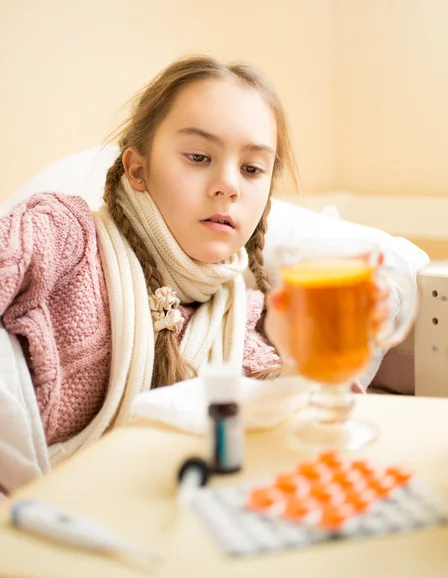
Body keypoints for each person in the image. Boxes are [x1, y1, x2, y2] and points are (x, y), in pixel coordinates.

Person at [0, 55, 426, 492]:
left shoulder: (249, 321)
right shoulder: (62, 234)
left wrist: (306, 359)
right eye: (199, 156)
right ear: (138, 168)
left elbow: (298, 447)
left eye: (252, 168)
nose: (229, 185)